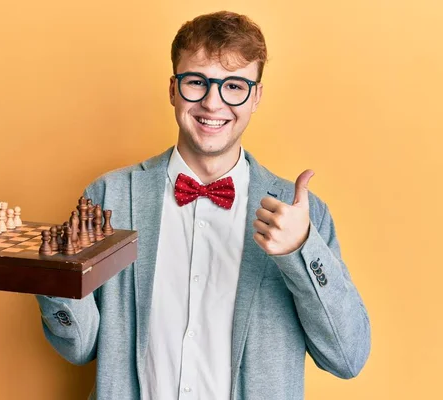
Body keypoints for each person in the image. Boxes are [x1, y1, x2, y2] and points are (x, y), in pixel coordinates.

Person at [36, 10, 370, 400]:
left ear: (256, 96)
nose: (213, 104)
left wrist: (302, 250)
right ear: (174, 89)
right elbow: (80, 347)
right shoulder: (110, 197)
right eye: (197, 82)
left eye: (234, 86)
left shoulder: (301, 216)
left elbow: (347, 358)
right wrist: (53, 280)